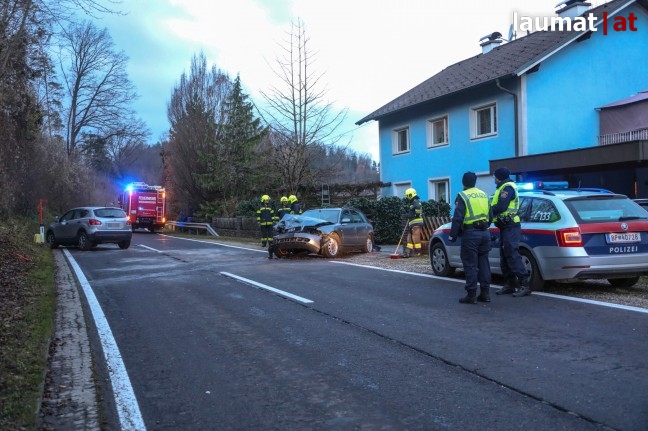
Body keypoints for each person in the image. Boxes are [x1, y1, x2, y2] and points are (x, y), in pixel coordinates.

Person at [448, 172, 492, 304]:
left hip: (471, 234)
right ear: (475, 181)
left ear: (463, 183)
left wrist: (453, 235)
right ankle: (485, 293)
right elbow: (491, 216)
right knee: (484, 263)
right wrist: (484, 227)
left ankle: (471, 294)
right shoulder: (484, 194)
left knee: (470, 264)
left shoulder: (463, 196)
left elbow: (458, 218)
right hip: (485, 233)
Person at [491, 167, 531, 297]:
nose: (494, 179)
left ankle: (524, 284)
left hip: (511, 225)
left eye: (495, 176)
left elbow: (502, 206)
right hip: (505, 226)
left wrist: (488, 210)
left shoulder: (507, 188)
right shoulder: (503, 187)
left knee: (512, 254)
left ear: (499, 177)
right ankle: (510, 284)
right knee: (505, 255)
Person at [402, 188, 424, 258]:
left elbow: (418, 208)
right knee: (410, 238)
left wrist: (415, 215)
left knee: (415, 237)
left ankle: (418, 252)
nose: (407, 197)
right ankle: (408, 252)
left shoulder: (415, 201)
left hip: (416, 223)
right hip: (412, 223)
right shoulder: (413, 202)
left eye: (407, 195)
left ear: (410, 195)